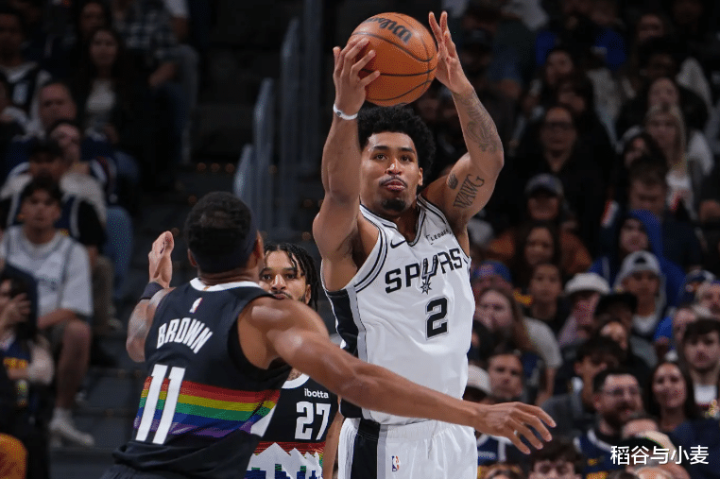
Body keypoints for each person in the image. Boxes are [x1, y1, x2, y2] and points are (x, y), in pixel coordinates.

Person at [103, 192, 554, 479]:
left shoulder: (166, 305)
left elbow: (136, 340)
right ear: (257, 249)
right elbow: (360, 383)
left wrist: (154, 284)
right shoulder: (267, 316)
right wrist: (477, 415)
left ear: (191, 256)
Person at [314, 11, 547, 479]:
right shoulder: (352, 237)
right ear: (358, 167)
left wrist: (460, 87)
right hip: (386, 437)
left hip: (454, 432)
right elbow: (337, 194)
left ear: (421, 174)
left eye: (406, 158)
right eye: (379, 156)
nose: (394, 166)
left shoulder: (446, 214)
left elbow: (490, 161)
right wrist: (345, 111)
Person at [0, 177, 93, 447]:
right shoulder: (6, 241)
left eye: (48, 203)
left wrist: (30, 324)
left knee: (79, 331)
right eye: (34, 202)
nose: (40, 209)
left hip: (45, 328)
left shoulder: (72, 250)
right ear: (22, 208)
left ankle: (61, 416)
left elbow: (74, 308)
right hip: (3, 322)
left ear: (57, 211)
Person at [245, 242, 341, 479]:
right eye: (266, 276)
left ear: (307, 294)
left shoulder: (330, 371)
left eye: (289, 276)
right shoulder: (226, 364)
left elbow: (329, 446)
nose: (277, 284)